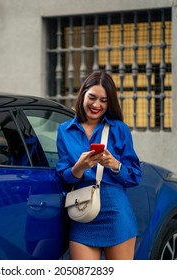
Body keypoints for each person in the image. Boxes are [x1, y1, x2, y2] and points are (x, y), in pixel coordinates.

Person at [56, 71, 142, 260]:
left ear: (109, 102)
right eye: (92, 98)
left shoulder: (119, 129)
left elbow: (135, 175)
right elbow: (64, 174)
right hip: (82, 211)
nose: (96, 105)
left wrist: (115, 164)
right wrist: (79, 167)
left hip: (116, 213)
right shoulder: (64, 130)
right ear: (83, 95)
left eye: (103, 100)